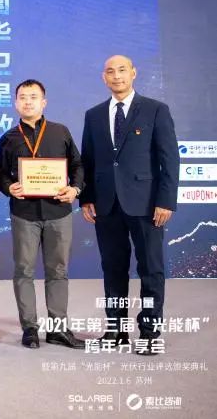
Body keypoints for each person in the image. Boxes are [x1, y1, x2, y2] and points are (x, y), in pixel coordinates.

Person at [80, 55, 179, 356]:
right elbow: (88, 160)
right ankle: (116, 330)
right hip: (106, 205)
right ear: (104, 77)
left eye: (122, 70)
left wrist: (165, 200)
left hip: (146, 204)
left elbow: (169, 159)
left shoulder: (155, 109)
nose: (117, 76)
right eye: (110, 71)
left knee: (151, 269)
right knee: (112, 269)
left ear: (133, 73)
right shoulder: (94, 115)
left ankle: (149, 332)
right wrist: (86, 197)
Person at [0, 79, 85, 350]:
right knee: (23, 270)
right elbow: (1, 174)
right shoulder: (9, 138)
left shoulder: (60, 132)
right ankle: (30, 328)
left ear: (43, 102)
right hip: (24, 214)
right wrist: (9, 187)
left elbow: (78, 165)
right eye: (23, 97)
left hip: (59, 212)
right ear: (15, 103)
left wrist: (75, 189)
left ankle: (58, 329)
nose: (28, 101)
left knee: (58, 271)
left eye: (33, 97)